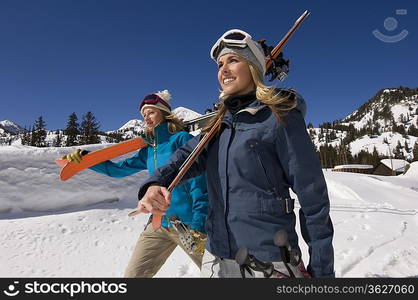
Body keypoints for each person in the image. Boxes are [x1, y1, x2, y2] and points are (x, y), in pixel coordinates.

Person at [136, 29, 335, 278]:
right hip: (218, 257)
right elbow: (184, 158)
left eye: (233, 60)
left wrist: (323, 273)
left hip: (269, 261)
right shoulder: (219, 127)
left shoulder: (279, 116)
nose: (223, 70)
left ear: (253, 66)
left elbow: (313, 199)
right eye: (220, 64)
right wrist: (155, 183)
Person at [62, 90, 208, 277]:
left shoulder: (180, 139)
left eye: (152, 112)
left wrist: (199, 223)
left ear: (164, 114)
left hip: (189, 226)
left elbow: (198, 182)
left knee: (222, 274)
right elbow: (117, 170)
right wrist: (86, 160)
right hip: (158, 224)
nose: (147, 118)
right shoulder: (148, 150)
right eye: (144, 115)